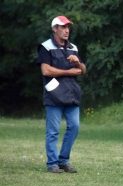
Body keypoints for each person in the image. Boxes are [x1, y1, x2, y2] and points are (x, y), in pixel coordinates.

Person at [36, 16, 86, 173]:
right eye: (63, 27)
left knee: (75, 126)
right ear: (54, 29)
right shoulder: (46, 47)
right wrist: (68, 72)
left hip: (71, 95)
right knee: (53, 131)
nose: (66, 30)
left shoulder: (74, 48)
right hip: (54, 95)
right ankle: (52, 164)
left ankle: (63, 160)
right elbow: (46, 70)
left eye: (68, 27)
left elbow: (82, 70)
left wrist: (77, 63)